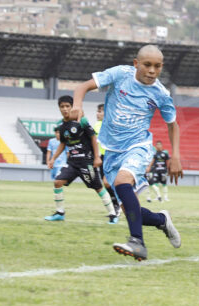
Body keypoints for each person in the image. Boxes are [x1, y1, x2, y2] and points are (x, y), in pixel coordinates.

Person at [69, 45, 183, 261]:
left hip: (138, 145)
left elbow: (173, 125)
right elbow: (82, 87)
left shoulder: (160, 93)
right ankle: (161, 220)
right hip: (112, 151)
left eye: (157, 66)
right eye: (147, 65)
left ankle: (137, 243)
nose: (152, 70)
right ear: (135, 64)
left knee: (122, 182)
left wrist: (175, 156)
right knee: (131, 210)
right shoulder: (120, 75)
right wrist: (77, 104)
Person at [45, 96, 117, 222]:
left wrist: (96, 157)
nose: (65, 109)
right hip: (72, 163)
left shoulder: (82, 122)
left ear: (73, 107)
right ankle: (60, 213)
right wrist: (53, 159)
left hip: (86, 162)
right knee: (57, 182)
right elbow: (63, 144)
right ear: (59, 108)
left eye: (68, 106)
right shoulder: (62, 127)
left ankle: (113, 214)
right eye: (62, 107)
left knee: (98, 187)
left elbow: (93, 138)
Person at [94, 103, 122, 224]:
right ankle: (116, 205)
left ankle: (118, 204)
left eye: (100, 111)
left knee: (107, 182)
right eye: (98, 111)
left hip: (111, 156)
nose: (98, 113)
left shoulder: (110, 124)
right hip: (102, 157)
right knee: (106, 184)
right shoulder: (97, 125)